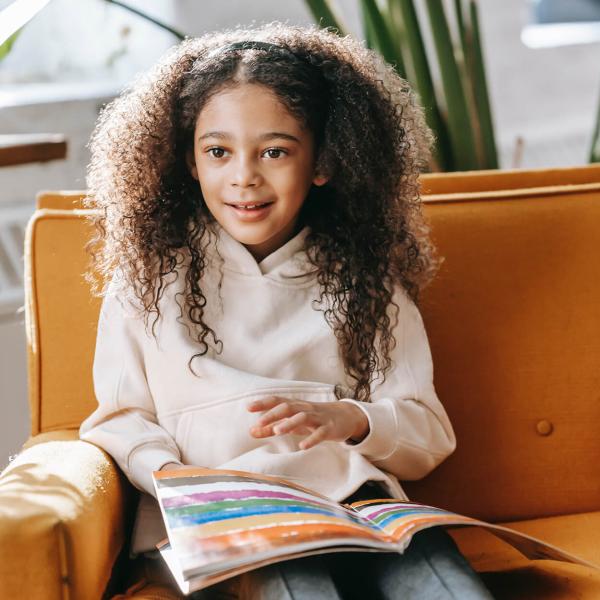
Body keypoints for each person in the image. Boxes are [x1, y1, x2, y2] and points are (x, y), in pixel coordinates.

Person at [79, 22, 494, 600]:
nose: (244, 175)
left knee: (442, 584)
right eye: (218, 151)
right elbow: (118, 420)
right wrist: (171, 477)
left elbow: (428, 434)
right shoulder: (148, 279)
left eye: (274, 151)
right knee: (294, 585)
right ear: (192, 163)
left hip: (358, 506)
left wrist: (351, 419)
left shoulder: (365, 280)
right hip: (229, 515)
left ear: (322, 162)